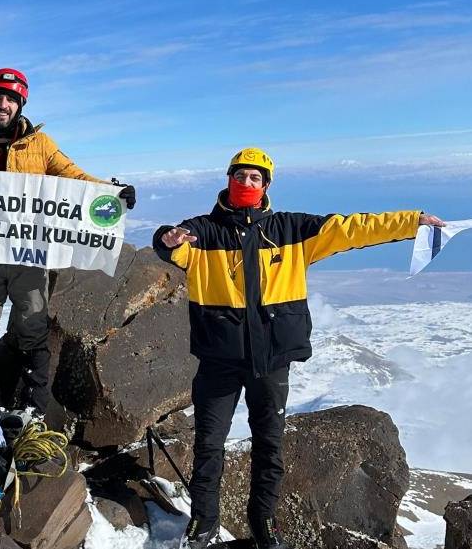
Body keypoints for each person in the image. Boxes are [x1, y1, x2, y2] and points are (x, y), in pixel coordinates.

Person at [152, 147, 446, 549]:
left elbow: (353, 228)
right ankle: (204, 521)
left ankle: (264, 522)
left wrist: (412, 222)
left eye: (255, 178)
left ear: (266, 185)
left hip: (271, 360)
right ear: (228, 180)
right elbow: (172, 245)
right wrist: (166, 238)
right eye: (240, 176)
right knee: (209, 444)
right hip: (220, 360)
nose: (246, 183)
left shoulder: (291, 230)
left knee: (269, 446)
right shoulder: (203, 231)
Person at [0, 68, 136, 416]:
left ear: (20, 104)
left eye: (10, 99)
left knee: (32, 328)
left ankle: (33, 406)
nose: (2, 105)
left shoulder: (40, 144)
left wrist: (112, 193)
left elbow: (73, 176)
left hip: (28, 253)